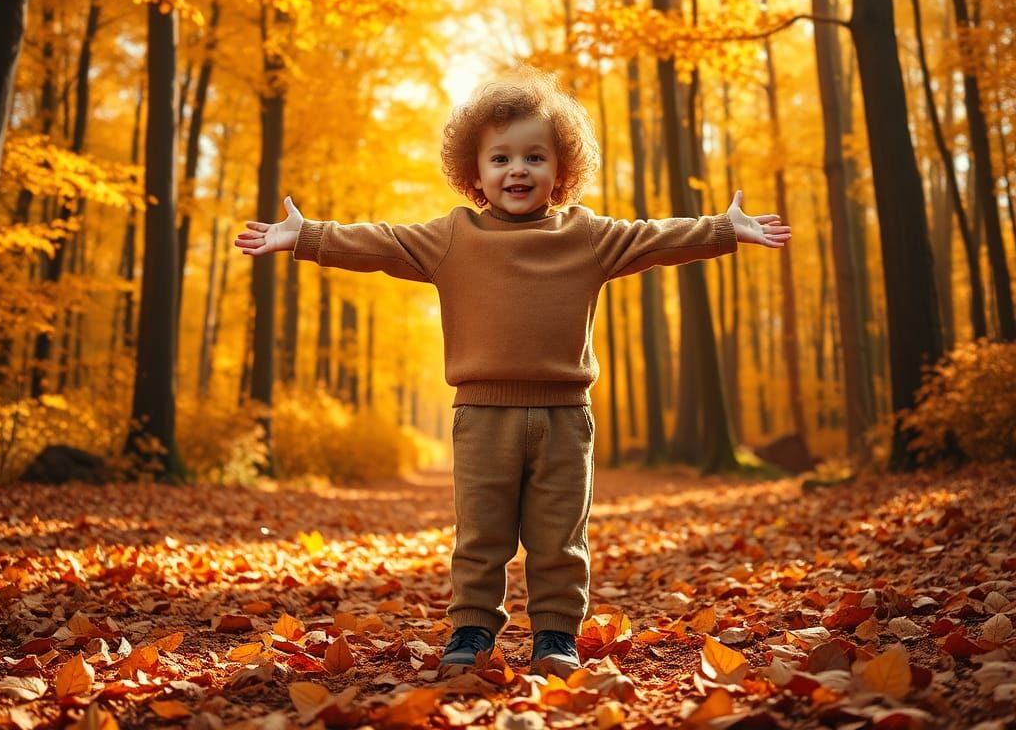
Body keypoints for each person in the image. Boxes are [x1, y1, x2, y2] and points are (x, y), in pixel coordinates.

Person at [235, 67, 791, 679]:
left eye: (534, 156)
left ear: (562, 169)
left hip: (564, 419)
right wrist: (307, 235)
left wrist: (722, 228)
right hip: (482, 417)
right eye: (500, 158)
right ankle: (471, 631)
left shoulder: (587, 236)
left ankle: (555, 636)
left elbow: (654, 238)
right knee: (481, 536)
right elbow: (382, 243)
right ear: (475, 172)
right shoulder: (455, 236)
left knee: (559, 539)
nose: (517, 170)